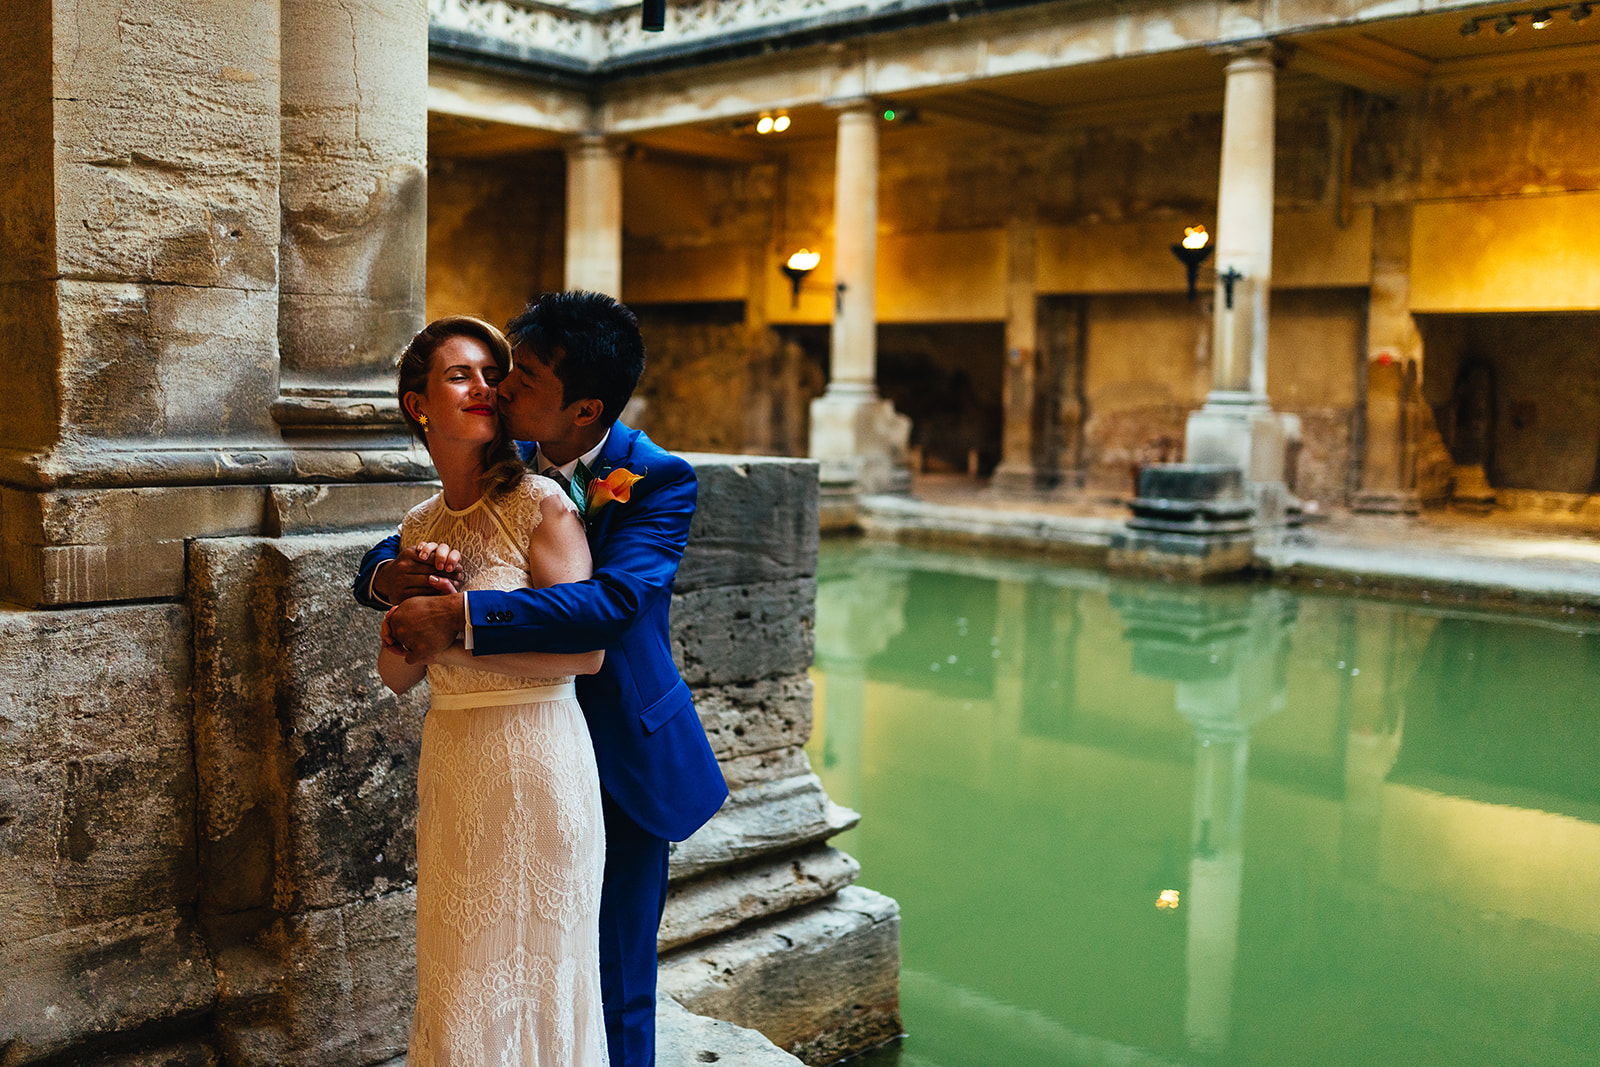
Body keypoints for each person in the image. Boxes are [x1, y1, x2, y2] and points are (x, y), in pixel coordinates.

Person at [355, 291, 728, 1067]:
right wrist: (386, 576)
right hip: (490, 747)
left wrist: (461, 619)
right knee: (484, 961)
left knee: (612, 974)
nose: (502, 389)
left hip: (612, 739)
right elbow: (415, 538)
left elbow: (614, 604)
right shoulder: (506, 455)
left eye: (521, 376)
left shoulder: (656, 478)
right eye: (499, 371)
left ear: (584, 408)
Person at [376, 315, 612, 1065]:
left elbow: (586, 650)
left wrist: (453, 632)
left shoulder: (540, 502)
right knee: (456, 978)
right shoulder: (416, 525)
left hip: (539, 759)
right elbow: (398, 674)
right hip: (453, 766)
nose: (485, 387)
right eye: (460, 375)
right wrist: (406, 622)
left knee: (543, 974)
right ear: (419, 404)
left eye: (491, 373)